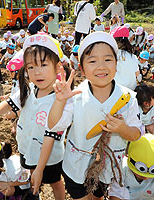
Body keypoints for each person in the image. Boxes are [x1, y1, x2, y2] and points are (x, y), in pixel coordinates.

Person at [47, 31, 142, 200]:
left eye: (107, 59)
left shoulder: (128, 99)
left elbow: (136, 134)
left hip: (106, 168)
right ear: (82, 68)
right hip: (75, 166)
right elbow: (54, 125)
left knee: (97, 196)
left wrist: (122, 129)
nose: (101, 66)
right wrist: (60, 101)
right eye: (92, 61)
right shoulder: (76, 96)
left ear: (116, 64)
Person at [0, 34, 71, 200]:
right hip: (28, 147)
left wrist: (41, 168)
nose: (37, 72)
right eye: (31, 67)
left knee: (55, 182)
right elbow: (9, 103)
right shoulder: (29, 89)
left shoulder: (59, 99)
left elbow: (52, 134)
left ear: (57, 67)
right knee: (34, 174)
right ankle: (36, 193)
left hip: (50, 155)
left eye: (43, 65)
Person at [108, 134, 154, 200]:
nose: (146, 177)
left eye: (152, 174)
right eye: (140, 171)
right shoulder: (122, 170)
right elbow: (115, 196)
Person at [111, 26, 140, 90]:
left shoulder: (112, 55)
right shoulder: (133, 57)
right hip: (131, 89)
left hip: (118, 90)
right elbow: (136, 72)